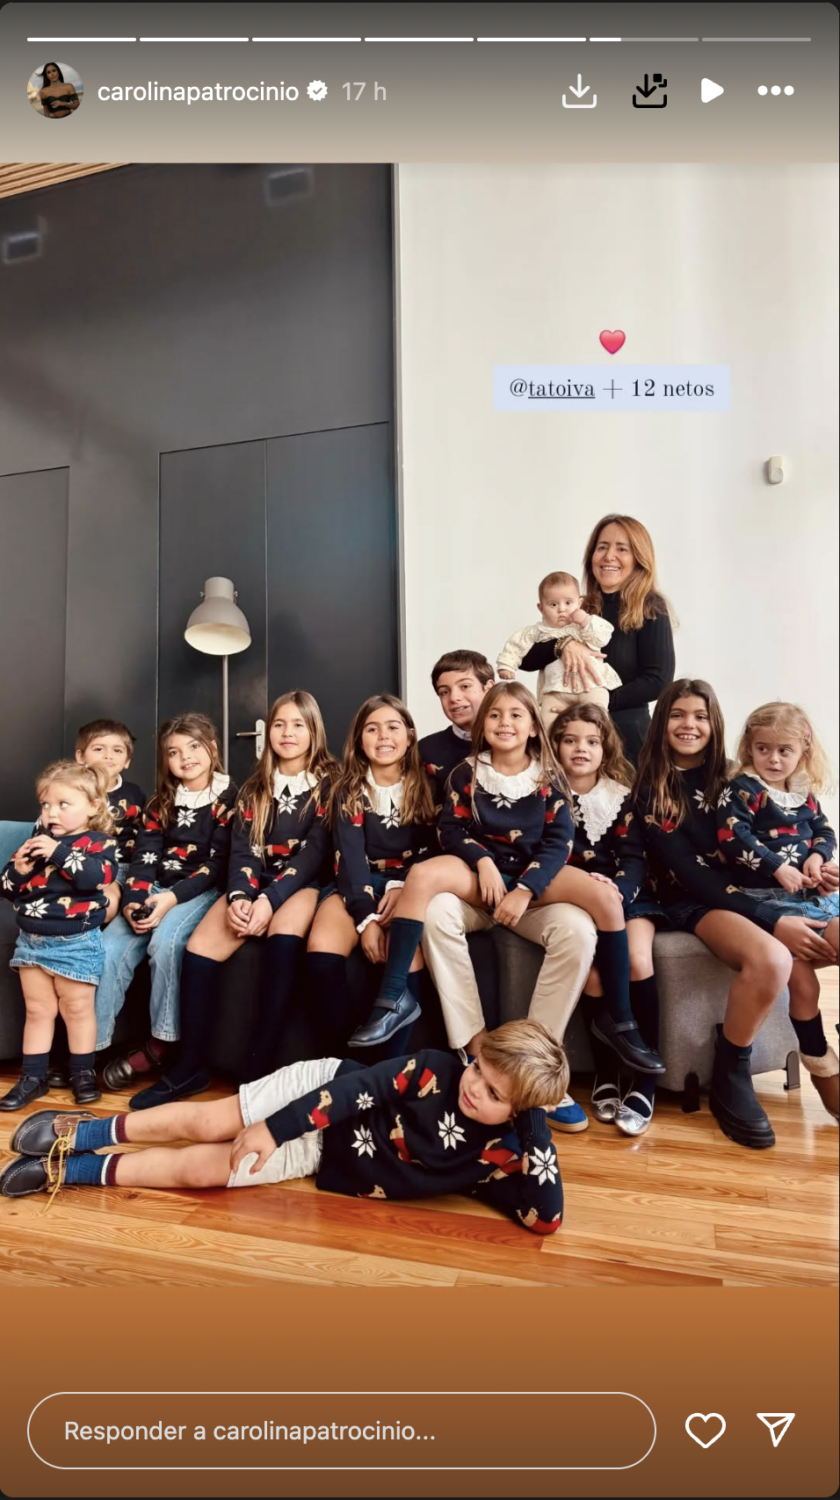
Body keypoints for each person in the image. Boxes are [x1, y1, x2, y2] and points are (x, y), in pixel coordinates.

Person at [352, 681, 664, 1094]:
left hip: (532, 884)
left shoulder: (550, 775)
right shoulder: (468, 772)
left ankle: (608, 1024)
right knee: (423, 878)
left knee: (602, 902)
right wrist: (482, 861)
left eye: (516, 715)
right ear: (483, 726)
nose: (505, 723)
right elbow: (451, 827)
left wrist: (526, 890)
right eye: (495, 715)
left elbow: (559, 842)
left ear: (534, 727)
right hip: (483, 883)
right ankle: (404, 1005)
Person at [1, 1019, 566, 1242]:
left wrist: (533, 1119)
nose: (474, 1088)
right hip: (320, 1094)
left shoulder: (499, 1154)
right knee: (209, 1119)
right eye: (478, 1070)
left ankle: (74, 1170)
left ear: (517, 1114)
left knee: (208, 1170)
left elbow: (544, 1218)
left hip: (324, 1153)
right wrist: (273, 1125)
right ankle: (87, 1132)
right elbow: (350, 1093)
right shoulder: (433, 1070)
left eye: (495, 1094)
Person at [110, 693, 339, 1106]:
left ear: (314, 731)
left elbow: (313, 854)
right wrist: (239, 896)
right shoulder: (253, 787)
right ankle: (189, 1068)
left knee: (283, 938)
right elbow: (244, 849)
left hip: (302, 885)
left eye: (298, 725)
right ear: (267, 731)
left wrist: (268, 901)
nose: (288, 733)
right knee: (198, 949)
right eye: (279, 724)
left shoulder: (330, 784)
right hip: (252, 881)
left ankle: (259, 1069)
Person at [635, 680, 795, 1149]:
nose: (689, 725)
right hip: (693, 900)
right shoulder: (651, 789)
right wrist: (772, 919)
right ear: (662, 722)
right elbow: (692, 874)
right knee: (772, 959)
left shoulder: (736, 778)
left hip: (756, 891)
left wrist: (812, 866)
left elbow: (783, 836)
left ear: (715, 723)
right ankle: (732, 1071)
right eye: (678, 715)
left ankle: (818, 1051)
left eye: (700, 716)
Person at [93, 714, 236, 1082]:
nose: (185, 757)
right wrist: (133, 899)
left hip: (197, 891)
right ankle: (91, 1047)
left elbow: (218, 864)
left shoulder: (230, 799)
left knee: (167, 941)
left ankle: (161, 1044)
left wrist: (170, 900)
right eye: (174, 752)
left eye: (193, 747)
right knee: (109, 949)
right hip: (154, 888)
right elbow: (144, 856)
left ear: (213, 749)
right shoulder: (161, 803)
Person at [716, 702, 838, 1122]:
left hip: (813, 894)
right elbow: (734, 837)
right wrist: (777, 867)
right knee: (802, 985)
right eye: (763, 749)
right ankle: (817, 1055)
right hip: (765, 900)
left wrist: (819, 858)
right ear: (749, 747)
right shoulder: (743, 789)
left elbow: (823, 830)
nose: (773, 759)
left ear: (802, 751)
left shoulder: (803, 789)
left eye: (784, 751)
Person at [550, 703, 665, 1136]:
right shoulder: (545, 793)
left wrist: (618, 890)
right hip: (576, 900)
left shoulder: (622, 795)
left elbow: (634, 858)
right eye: (570, 740)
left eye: (592, 741)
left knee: (637, 959)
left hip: (627, 897)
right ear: (555, 746)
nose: (581, 749)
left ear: (606, 747)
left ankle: (647, 1079)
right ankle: (608, 1073)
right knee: (595, 978)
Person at [305, 694, 437, 1058]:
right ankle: (343, 1060)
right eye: (372, 729)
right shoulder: (347, 788)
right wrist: (367, 921)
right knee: (321, 947)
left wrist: (402, 887)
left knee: (407, 955)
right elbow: (348, 860)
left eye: (393, 728)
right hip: (356, 885)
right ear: (359, 739)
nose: (383, 737)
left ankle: (385, 1068)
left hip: (410, 886)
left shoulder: (427, 783)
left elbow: (433, 849)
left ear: (409, 735)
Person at [0, 761, 117, 1110]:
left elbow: (93, 878)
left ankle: (82, 1072)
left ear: (93, 807)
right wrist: (17, 870)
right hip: (32, 942)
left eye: (64, 804)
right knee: (38, 1011)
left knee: (77, 1010)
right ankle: (32, 1078)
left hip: (76, 943)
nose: (52, 812)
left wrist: (59, 852)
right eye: (46, 805)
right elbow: (6, 890)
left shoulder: (99, 843)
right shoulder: (36, 844)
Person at [518, 516, 675, 763]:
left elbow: (658, 680)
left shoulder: (650, 607)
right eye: (602, 547)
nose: (609, 556)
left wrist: (590, 706)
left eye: (622, 549)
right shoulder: (575, 604)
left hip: (626, 737)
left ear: (638, 558)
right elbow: (525, 659)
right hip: (573, 738)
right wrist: (563, 645)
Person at [497, 570, 621, 727]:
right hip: (555, 690)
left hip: (591, 686)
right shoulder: (538, 631)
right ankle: (548, 750)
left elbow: (603, 637)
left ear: (580, 603)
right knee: (547, 724)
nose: (561, 609)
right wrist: (507, 665)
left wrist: (585, 620)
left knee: (596, 720)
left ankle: (598, 747)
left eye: (568, 603)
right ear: (541, 608)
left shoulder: (584, 625)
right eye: (553, 604)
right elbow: (516, 645)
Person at [75, 718, 146, 923]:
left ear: (127, 760)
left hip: (119, 865)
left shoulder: (134, 794)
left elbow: (145, 835)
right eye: (99, 749)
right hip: (75, 860)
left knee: (109, 901)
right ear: (81, 756)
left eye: (117, 750)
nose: (108, 755)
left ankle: (86, 936)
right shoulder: (71, 790)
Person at [419, 649, 495, 812]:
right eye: (444, 692)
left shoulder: (513, 743)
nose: (454, 698)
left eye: (465, 686)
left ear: (488, 688)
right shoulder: (425, 750)